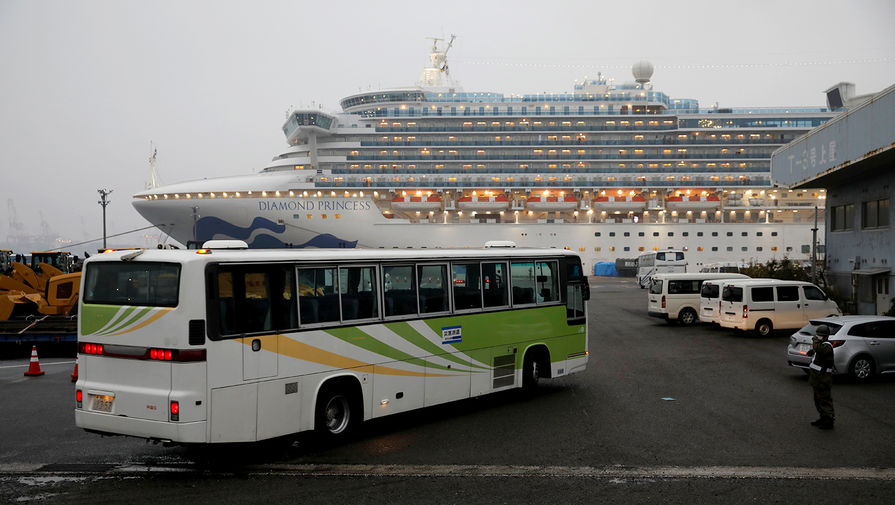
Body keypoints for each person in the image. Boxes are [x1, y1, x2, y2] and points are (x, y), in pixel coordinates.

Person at [806, 324, 835, 429]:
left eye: (819, 335)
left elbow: (819, 349)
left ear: (825, 336)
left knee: (824, 399)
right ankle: (822, 417)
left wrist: (815, 340)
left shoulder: (827, 346)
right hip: (817, 377)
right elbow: (816, 351)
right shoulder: (821, 345)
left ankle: (829, 420)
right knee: (817, 399)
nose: (817, 337)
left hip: (824, 378)